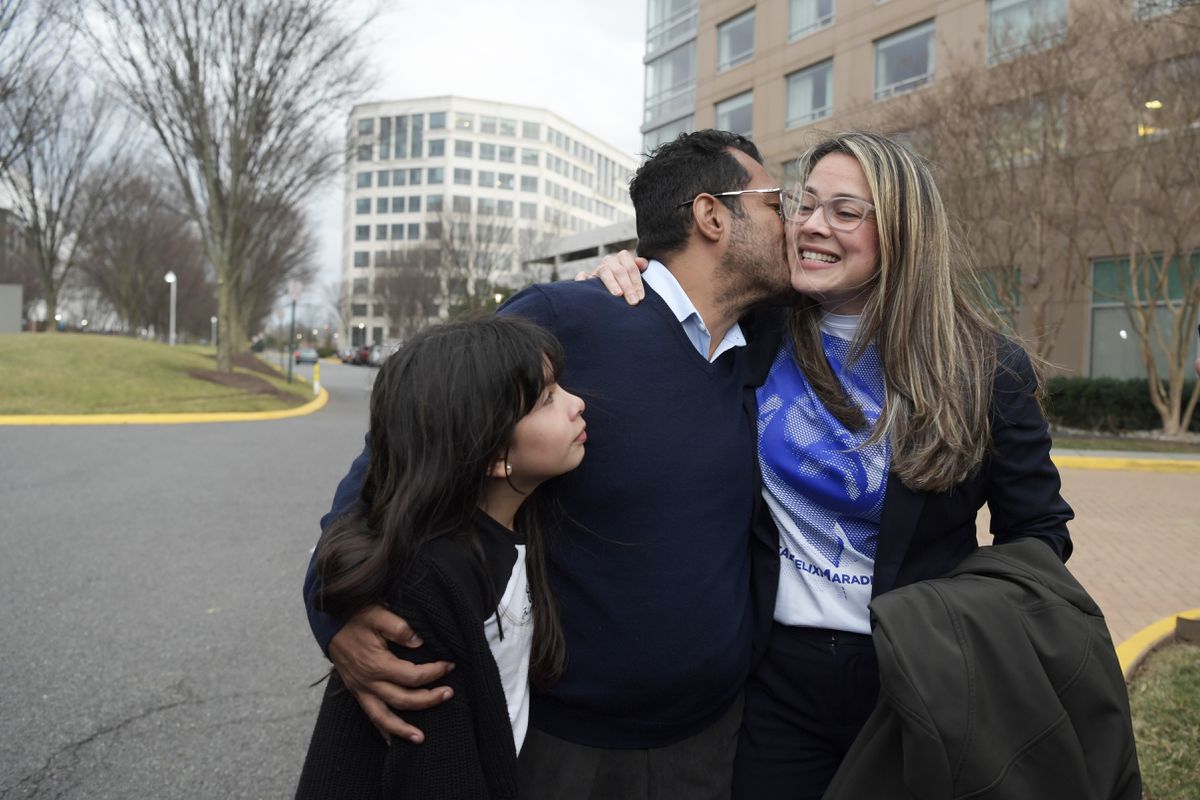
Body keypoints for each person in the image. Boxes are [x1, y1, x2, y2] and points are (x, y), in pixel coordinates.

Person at [302, 130, 793, 798]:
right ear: (712, 216)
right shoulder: (569, 317)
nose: (793, 221)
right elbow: (403, 457)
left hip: (711, 740)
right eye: (776, 203)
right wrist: (335, 612)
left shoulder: (760, 343)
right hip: (566, 751)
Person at [589, 130, 1074, 799]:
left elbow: (1038, 535)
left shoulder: (986, 368)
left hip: (917, 681)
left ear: (902, 231)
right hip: (775, 679)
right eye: (804, 205)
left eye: (846, 212)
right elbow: (680, 295)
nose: (813, 227)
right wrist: (625, 271)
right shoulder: (758, 331)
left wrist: (959, 631)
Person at [295, 315, 586, 799]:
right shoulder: (428, 588)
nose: (577, 404)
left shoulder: (517, 524)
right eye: (548, 399)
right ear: (494, 456)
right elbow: (433, 769)